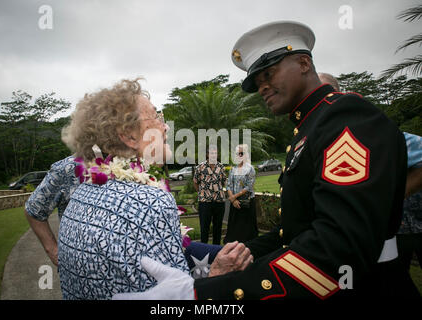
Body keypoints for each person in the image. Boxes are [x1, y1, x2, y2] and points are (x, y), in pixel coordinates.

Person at [114, 21, 419, 300]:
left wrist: (204, 295)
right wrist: (237, 252)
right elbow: (296, 228)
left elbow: (338, 248)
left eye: (269, 74)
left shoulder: (345, 116)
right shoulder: (309, 128)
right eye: (257, 80)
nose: (262, 86)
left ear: (303, 63)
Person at [57, 79, 189, 299]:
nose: (165, 126)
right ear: (129, 135)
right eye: (157, 116)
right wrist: (218, 274)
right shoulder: (150, 203)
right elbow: (176, 296)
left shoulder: (81, 193)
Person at [24, 156, 79, 266]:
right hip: (77, 265)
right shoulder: (67, 168)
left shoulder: (122, 163)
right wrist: (53, 251)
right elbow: (34, 210)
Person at [397, 132, 422, 274]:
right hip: (400, 230)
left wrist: (398, 194)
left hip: (418, 220)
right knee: (398, 276)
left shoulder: (397, 140)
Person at [224, 144, 258, 243]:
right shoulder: (233, 169)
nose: (239, 156)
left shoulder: (250, 168)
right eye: (237, 154)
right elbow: (228, 185)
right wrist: (233, 199)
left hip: (246, 203)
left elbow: (249, 186)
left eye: (241, 153)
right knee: (234, 230)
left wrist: (234, 197)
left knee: (247, 233)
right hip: (235, 203)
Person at [193, 145, 227, 245]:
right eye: (211, 153)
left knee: (218, 227)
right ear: (207, 154)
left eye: (215, 153)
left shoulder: (221, 167)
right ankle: (204, 249)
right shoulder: (200, 167)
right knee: (204, 227)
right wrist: (201, 192)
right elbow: (195, 182)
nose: (213, 155)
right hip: (205, 202)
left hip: (219, 201)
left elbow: (224, 182)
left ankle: (216, 249)